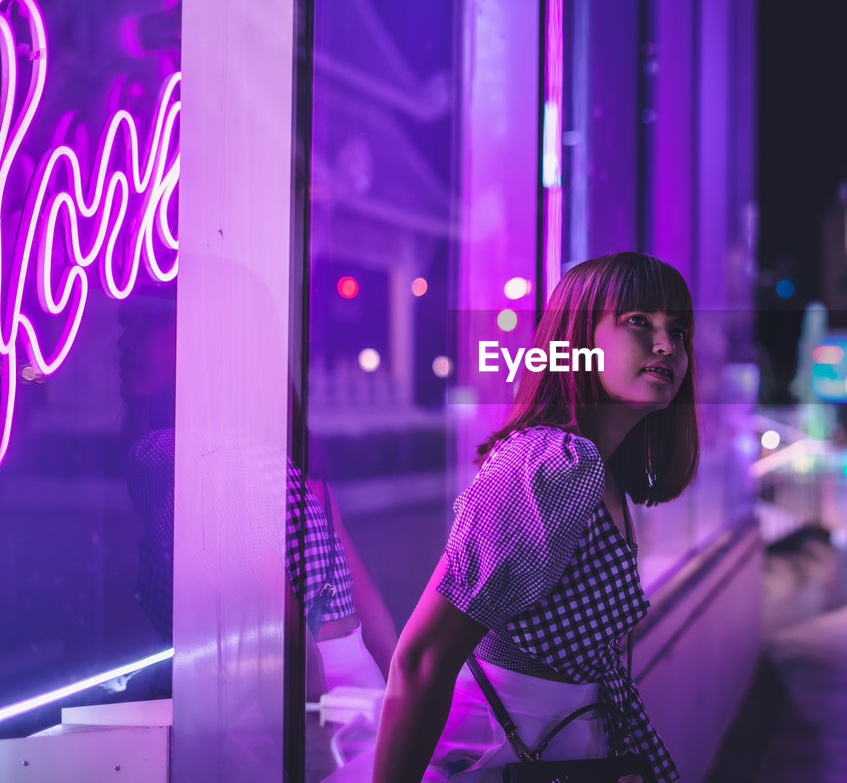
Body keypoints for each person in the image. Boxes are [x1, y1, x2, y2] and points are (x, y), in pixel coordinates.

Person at [372, 252, 698, 783]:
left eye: (679, 331)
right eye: (639, 321)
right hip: (496, 754)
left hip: (553, 750)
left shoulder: (599, 468)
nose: (667, 346)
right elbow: (421, 659)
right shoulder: (552, 464)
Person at [118, 294, 397, 699]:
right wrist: (405, 713)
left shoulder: (178, 454)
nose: (125, 342)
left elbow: (288, 639)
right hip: (350, 690)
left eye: (149, 325)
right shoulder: (277, 456)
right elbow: (368, 608)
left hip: (292, 711)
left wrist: (313, 748)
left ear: (208, 340)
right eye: (126, 325)